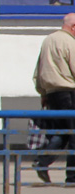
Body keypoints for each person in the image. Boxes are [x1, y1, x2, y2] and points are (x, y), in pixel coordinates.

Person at [31, 13, 75, 184]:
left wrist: (43, 93)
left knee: (63, 133)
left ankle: (41, 162)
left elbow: (38, 70)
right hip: (70, 93)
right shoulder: (70, 42)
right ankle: (72, 177)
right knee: (73, 135)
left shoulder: (47, 41)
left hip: (52, 94)